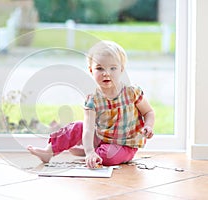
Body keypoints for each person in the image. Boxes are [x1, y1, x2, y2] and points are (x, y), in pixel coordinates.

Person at [27, 40, 155, 168]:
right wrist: (90, 151)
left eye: (113, 68)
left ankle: (91, 153)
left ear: (121, 69)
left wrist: (148, 126)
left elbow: (148, 112)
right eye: (99, 68)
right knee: (77, 127)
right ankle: (49, 152)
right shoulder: (92, 100)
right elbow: (88, 129)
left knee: (107, 156)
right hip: (101, 137)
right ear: (91, 70)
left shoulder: (132, 92)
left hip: (125, 145)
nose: (106, 73)